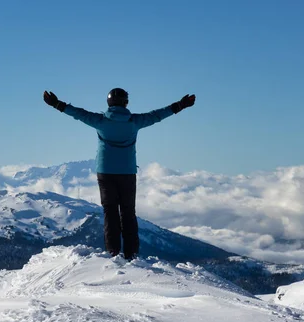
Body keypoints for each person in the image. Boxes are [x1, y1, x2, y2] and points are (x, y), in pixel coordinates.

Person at [43, 88, 196, 260]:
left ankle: (113, 252)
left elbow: (79, 114)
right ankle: (132, 254)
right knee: (128, 212)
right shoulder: (134, 122)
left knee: (110, 212)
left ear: (108, 103)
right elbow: (157, 115)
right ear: (126, 102)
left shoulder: (100, 121)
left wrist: (56, 104)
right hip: (127, 173)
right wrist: (181, 105)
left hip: (105, 172)